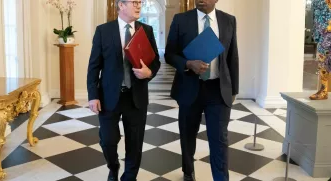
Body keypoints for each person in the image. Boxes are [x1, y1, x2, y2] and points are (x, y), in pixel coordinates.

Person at [165, 0, 239, 180]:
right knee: (187, 136)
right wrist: (188, 64)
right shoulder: (181, 20)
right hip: (190, 87)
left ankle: (221, 177)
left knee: (219, 139)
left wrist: (234, 89)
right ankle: (188, 172)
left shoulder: (229, 20)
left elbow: (232, 56)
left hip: (218, 89)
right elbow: (169, 54)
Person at [87, 0, 161, 180]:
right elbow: (94, 67)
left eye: (140, 2)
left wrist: (149, 72)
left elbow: (155, 61)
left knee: (135, 143)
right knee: (108, 141)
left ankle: (129, 177)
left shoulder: (146, 30)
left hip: (136, 97)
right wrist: (93, 96)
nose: (138, 5)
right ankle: (113, 167)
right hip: (109, 97)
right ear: (121, 5)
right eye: (134, 2)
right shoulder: (103, 31)